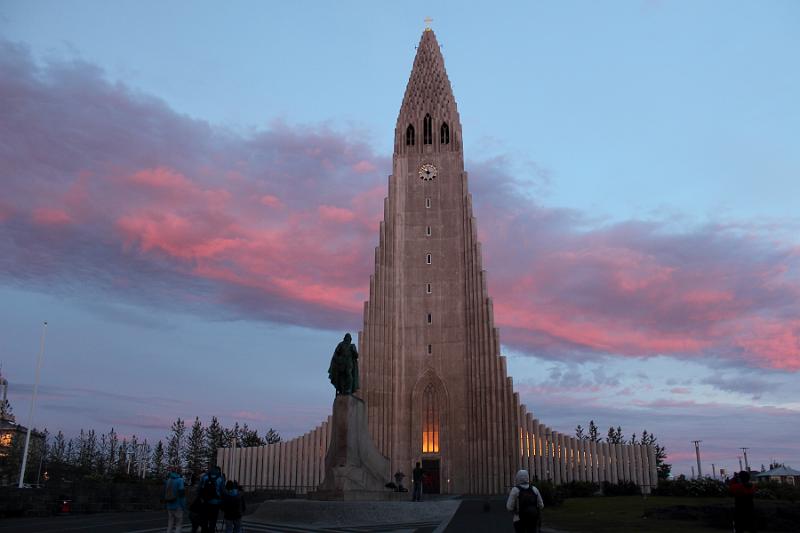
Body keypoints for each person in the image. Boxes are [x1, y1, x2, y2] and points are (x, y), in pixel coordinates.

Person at [197, 465, 226, 533]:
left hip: (205, 502)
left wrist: (201, 498)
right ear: (218, 471)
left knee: (204, 521)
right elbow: (223, 491)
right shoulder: (220, 479)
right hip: (215, 503)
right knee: (213, 522)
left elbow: (199, 489)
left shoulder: (205, 477)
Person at [164, 466, 186, 533]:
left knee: (170, 523)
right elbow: (181, 494)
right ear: (179, 472)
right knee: (178, 524)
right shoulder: (180, 480)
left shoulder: (168, 480)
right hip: (177, 505)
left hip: (169, 504)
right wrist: (183, 506)